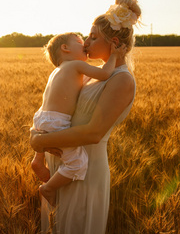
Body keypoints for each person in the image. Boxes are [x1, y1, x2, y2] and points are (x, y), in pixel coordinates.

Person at [30, 0, 141, 234]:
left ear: (112, 42)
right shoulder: (92, 73)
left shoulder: (121, 79)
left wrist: (39, 142)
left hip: (86, 172)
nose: (87, 42)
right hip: (64, 168)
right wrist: (40, 154)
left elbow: (93, 133)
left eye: (92, 37)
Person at [31, 32, 124, 207]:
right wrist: (114, 56)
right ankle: (48, 188)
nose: (85, 46)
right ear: (65, 48)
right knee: (77, 164)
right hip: (57, 122)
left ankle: (38, 159)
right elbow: (104, 74)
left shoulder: (57, 71)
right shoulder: (76, 65)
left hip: (42, 118)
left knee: (44, 134)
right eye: (80, 42)